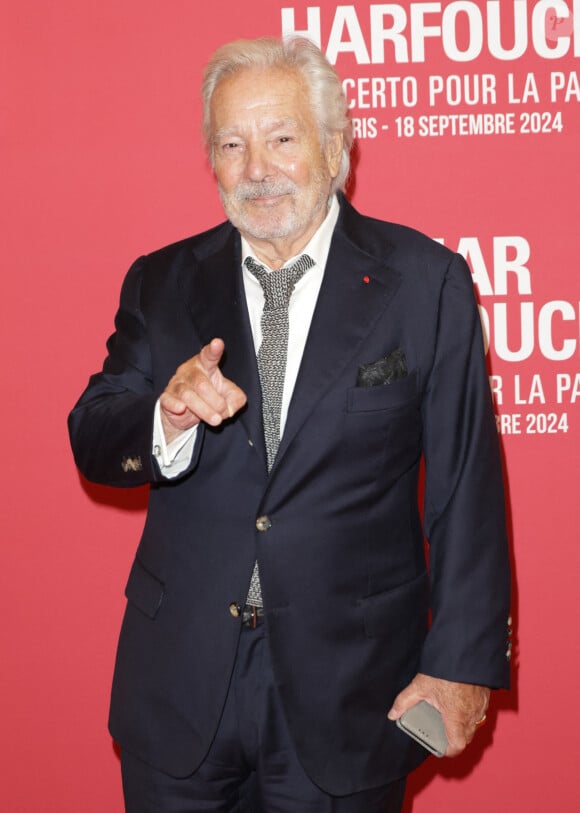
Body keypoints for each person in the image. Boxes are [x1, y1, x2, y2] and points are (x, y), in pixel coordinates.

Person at [69, 35, 511, 813]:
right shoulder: (163, 280)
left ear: (335, 147)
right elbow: (94, 432)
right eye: (232, 144)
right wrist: (164, 416)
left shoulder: (425, 284)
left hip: (350, 690)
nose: (257, 168)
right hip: (179, 687)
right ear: (210, 159)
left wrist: (463, 664)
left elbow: (465, 489)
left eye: (281, 138)